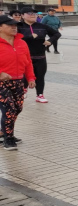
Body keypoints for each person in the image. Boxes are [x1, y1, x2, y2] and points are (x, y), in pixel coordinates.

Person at [0, 15, 35, 150]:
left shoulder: (22, 43)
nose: (14, 27)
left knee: (17, 109)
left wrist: (31, 78)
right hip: (1, 83)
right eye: (10, 25)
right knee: (9, 109)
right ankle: (8, 138)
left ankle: (4, 132)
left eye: (15, 25)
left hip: (18, 81)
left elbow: (28, 62)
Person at [16, 7, 60, 104]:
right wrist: (29, 37)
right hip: (23, 57)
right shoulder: (18, 26)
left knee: (40, 76)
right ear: (22, 16)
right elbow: (14, 38)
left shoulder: (41, 26)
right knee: (23, 76)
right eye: (29, 13)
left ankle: (40, 95)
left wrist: (50, 41)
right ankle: (23, 91)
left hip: (40, 56)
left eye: (34, 13)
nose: (32, 15)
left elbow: (56, 34)